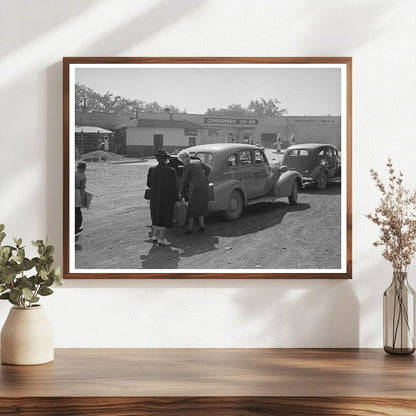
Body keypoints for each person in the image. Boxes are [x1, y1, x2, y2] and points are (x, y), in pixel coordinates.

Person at [146, 149, 179, 246]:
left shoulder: (151, 169)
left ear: (157, 159)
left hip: (155, 196)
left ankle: (155, 236)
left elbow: (148, 184)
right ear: (166, 159)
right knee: (165, 217)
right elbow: (173, 187)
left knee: (155, 215)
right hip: (166, 197)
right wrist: (176, 198)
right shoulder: (171, 170)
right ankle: (161, 238)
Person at [178, 150, 211, 233]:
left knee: (192, 207)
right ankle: (202, 225)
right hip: (205, 185)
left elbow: (183, 180)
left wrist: (180, 191)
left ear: (183, 158)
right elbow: (208, 169)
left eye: (181, 160)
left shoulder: (187, 165)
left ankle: (189, 228)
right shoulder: (197, 161)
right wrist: (203, 177)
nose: (182, 162)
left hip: (196, 187)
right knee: (201, 206)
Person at [75, 162, 87, 235]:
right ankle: (76, 228)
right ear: (84, 169)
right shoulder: (83, 176)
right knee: (78, 212)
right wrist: (83, 201)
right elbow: (82, 188)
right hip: (77, 193)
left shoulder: (73, 173)